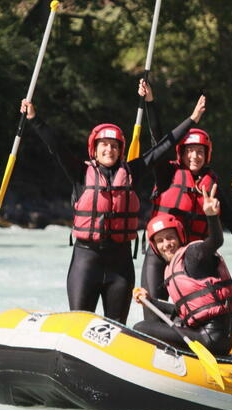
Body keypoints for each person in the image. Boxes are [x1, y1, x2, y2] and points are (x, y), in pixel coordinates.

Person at [19, 88, 205, 325]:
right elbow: (57, 147)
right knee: (79, 324)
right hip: (86, 262)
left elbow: (162, 148)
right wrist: (34, 119)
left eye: (114, 146)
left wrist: (190, 120)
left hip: (121, 265)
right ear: (94, 149)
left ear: (121, 150)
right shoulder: (80, 173)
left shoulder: (132, 172)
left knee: (116, 328)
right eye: (104, 145)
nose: (109, 150)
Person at [139, 83, 232, 318]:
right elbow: (159, 140)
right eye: (189, 151)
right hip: (160, 251)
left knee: (188, 311)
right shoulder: (167, 174)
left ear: (207, 155)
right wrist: (150, 103)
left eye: (200, 151)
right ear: (181, 153)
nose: (194, 156)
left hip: (191, 259)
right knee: (153, 308)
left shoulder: (212, 186)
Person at [132, 185, 232, 355]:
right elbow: (182, 309)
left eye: (170, 238)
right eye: (160, 241)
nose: (166, 244)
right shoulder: (173, 268)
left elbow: (215, 241)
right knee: (163, 321)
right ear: (155, 247)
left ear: (179, 237)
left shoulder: (192, 254)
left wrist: (211, 216)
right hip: (206, 334)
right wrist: (149, 301)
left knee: (141, 327)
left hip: (211, 339)